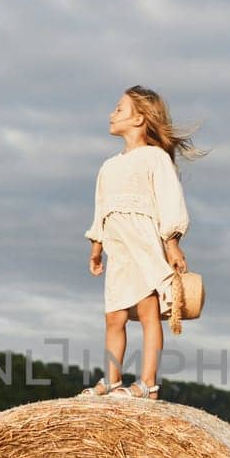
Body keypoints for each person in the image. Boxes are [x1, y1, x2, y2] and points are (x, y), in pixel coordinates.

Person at [78, 85, 202, 399]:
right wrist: (96, 247)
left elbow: (170, 200)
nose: (111, 114)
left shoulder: (154, 158)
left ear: (140, 118)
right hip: (117, 248)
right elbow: (101, 208)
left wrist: (172, 242)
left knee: (148, 312)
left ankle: (147, 383)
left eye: (119, 109)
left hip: (144, 243)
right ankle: (111, 379)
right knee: (114, 317)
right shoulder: (109, 166)